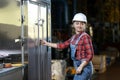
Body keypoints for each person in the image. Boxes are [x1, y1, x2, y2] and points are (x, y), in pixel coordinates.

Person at [40, 13, 94, 80]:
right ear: (73, 25)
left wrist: (81, 67)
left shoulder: (85, 37)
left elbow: (90, 55)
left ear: (85, 25)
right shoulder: (74, 38)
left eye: (82, 24)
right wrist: (47, 43)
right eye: (77, 23)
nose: (79, 25)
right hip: (79, 66)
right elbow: (62, 45)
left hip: (85, 68)